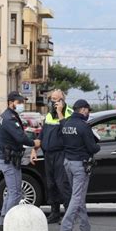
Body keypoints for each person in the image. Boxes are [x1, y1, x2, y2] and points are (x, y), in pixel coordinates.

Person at [0, 91, 40, 231]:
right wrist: (34, 142)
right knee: (15, 193)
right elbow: (20, 137)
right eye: (19, 102)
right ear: (11, 102)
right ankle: (9, 222)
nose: (22, 105)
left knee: (11, 193)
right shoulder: (9, 118)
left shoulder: (9, 116)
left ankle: (4, 222)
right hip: (9, 159)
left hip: (10, 158)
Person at [59, 99, 100, 231]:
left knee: (78, 196)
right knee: (77, 197)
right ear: (83, 110)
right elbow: (92, 148)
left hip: (68, 163)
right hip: (80, 165)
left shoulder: (66, 123)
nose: (88, 113)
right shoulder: (84, 126)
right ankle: (65, 229)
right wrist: (97, 145)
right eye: (88, 110)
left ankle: (85, 228)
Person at [30, 90, 72, 224]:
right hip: (48, 154)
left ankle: (69, 214)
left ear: (62, 100)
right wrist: (34, 150)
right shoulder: (48, 115)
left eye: (55, 99)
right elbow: (42, 135)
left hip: (61, 153)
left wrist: (60, 112)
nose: (52, 101)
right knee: (51, 184)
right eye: (51, 99)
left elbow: (67, 131)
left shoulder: (68, 113)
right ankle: (55, 213)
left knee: (62, 184)